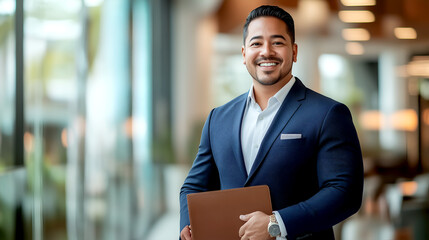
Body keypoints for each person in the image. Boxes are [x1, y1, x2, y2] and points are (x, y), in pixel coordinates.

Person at [180, 5, 363, 240]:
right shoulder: (218, 118)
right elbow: (193, 186)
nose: (267, 51)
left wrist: (277, 224)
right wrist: (188, 226)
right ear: (244, 53)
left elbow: (345, 193)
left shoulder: (328, 114)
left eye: (277, 42)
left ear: (294, 51)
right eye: (256, 43)